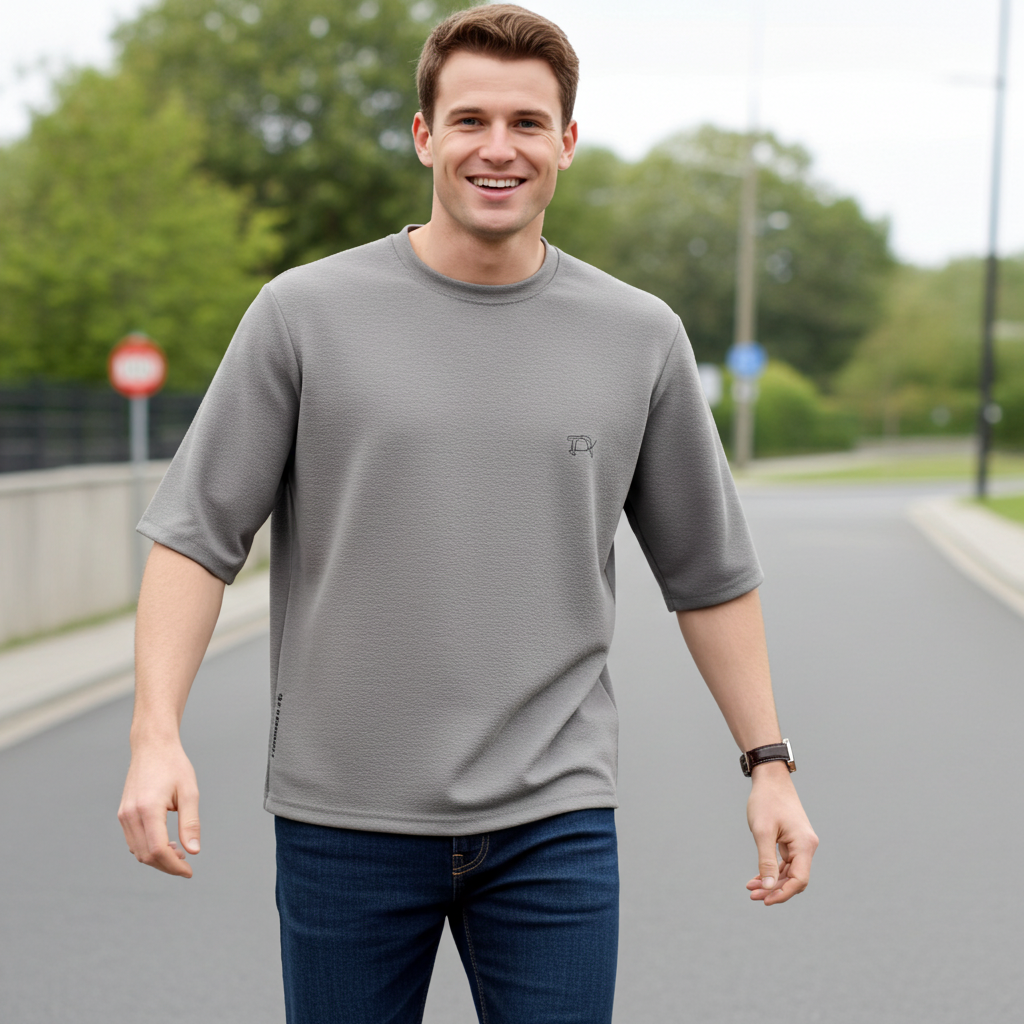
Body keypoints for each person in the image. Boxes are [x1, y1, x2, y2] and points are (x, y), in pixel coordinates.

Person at [118, 5, 818, 1022]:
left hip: (553, 816)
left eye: (529, 124)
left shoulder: (639, 337)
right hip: (342, 817)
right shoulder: (303, 315)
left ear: (566, 144)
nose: (499, 148)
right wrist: (154, 734)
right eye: (471, 120)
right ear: (424, 135)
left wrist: (769, 766)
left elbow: (708, 576)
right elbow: (195, 537)